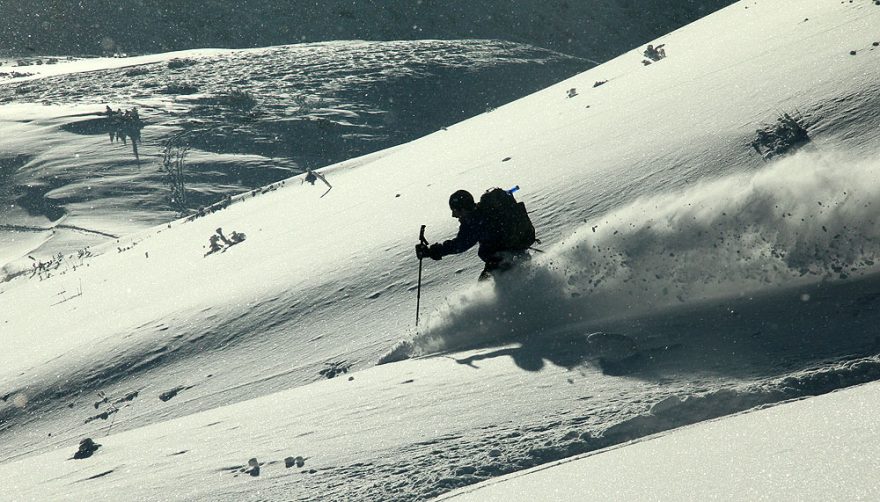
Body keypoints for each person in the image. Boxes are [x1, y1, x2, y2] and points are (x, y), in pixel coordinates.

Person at [416, 189, 534, 281]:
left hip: (502, 261)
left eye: (455, 210)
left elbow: (460, 245)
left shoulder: (474, 221)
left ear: (462, 209)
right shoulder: (482, 212)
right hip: (516, 252)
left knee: (487, 292)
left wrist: (432, 251)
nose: (453, 215)